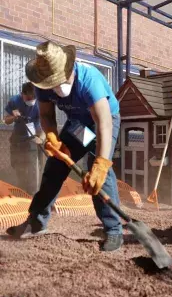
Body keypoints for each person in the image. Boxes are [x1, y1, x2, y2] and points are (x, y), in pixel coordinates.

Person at [6, 41, 122, 252]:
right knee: (55, 167)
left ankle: (114, 230)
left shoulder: (89, 79)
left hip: (104, 121)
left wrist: (102, 163)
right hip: (79, 125)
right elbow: (47, 115)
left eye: (59, 81)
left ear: (69, 68)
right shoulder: (42, 84)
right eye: (51, 83)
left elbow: (103, 122)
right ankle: (35, 222)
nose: (56, 87)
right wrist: (52, 138)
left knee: (97, 170)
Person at [4, 82, 44, 195]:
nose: (32, 100)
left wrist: (40, 138)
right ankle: (22, 193)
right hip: (17, 139)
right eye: (29, 98)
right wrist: (13, 117)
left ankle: (32, 195)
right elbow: (6, 121)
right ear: (22, 94)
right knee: (18, 167)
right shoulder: (14, 101)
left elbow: (44, 125)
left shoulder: (39, 104)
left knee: (32, 170)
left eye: (34, 97)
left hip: (32, 138)